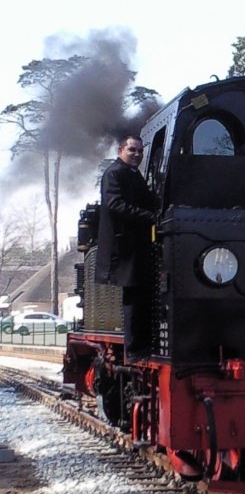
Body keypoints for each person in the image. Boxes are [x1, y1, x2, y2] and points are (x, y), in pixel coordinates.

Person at [96, 132, 158, 360]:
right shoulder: (114, 174)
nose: (137, 154)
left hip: (136, 246)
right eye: (132, 150)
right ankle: (133, 350)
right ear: (120, 150)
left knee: (142, 296)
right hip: (124, 247)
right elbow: (115, 204)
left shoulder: (133, 174)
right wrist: (150, 217)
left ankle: (142, 345)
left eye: (140, 151)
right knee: (133, 297)